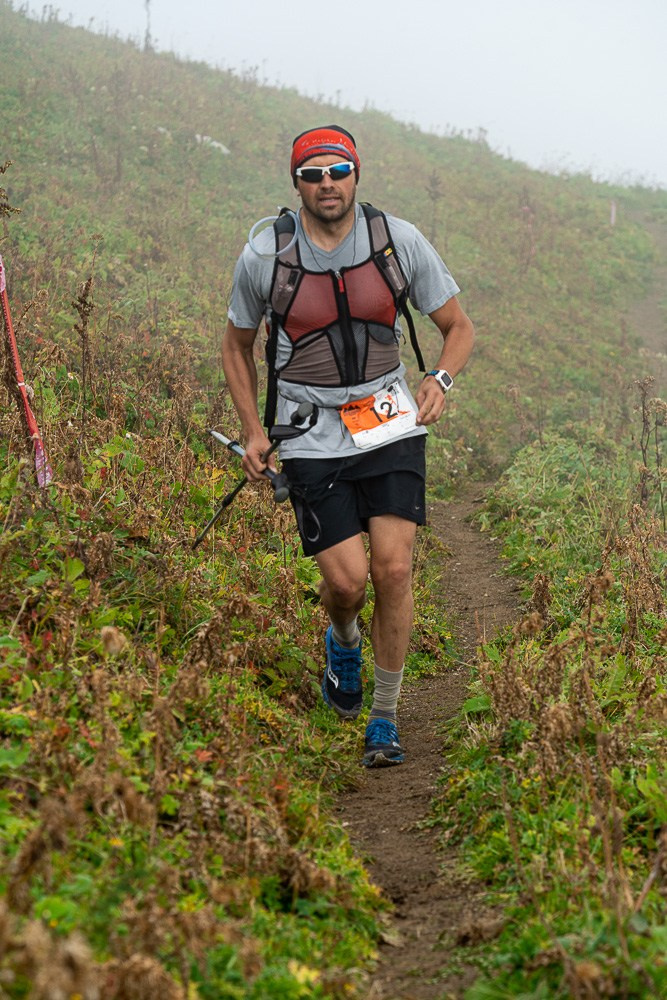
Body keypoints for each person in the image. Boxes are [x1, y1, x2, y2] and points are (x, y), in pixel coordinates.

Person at [222, 125, 474, 767]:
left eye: (337, 171)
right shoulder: (265, 256)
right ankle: (343, 637)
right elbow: (236, 346)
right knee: (348, 582)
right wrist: (254, 430)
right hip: (309, 429)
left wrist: (440, 379)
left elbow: (458, 327)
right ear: (296, 183)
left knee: (393, 569)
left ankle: (384, 720)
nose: (327, 184)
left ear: (356, 174)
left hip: (387, 417)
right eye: (313, 175)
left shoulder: (397, 241)